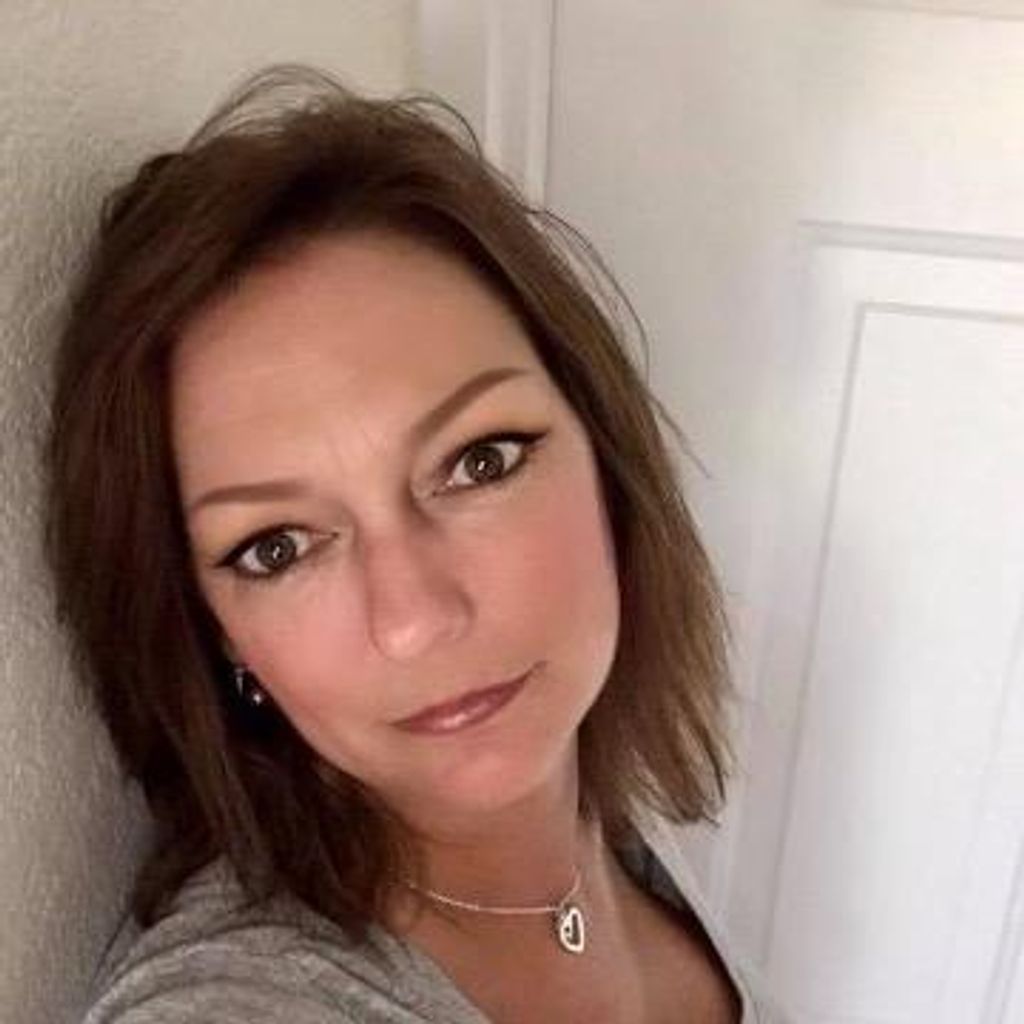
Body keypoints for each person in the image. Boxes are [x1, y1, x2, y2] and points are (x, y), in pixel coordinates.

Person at [47, 66, 785, 1023]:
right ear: (217, 630)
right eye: (277, 548)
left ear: (600, 448)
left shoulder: (605, 807)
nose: (416, 618)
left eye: (480, 462)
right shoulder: (239, 996)